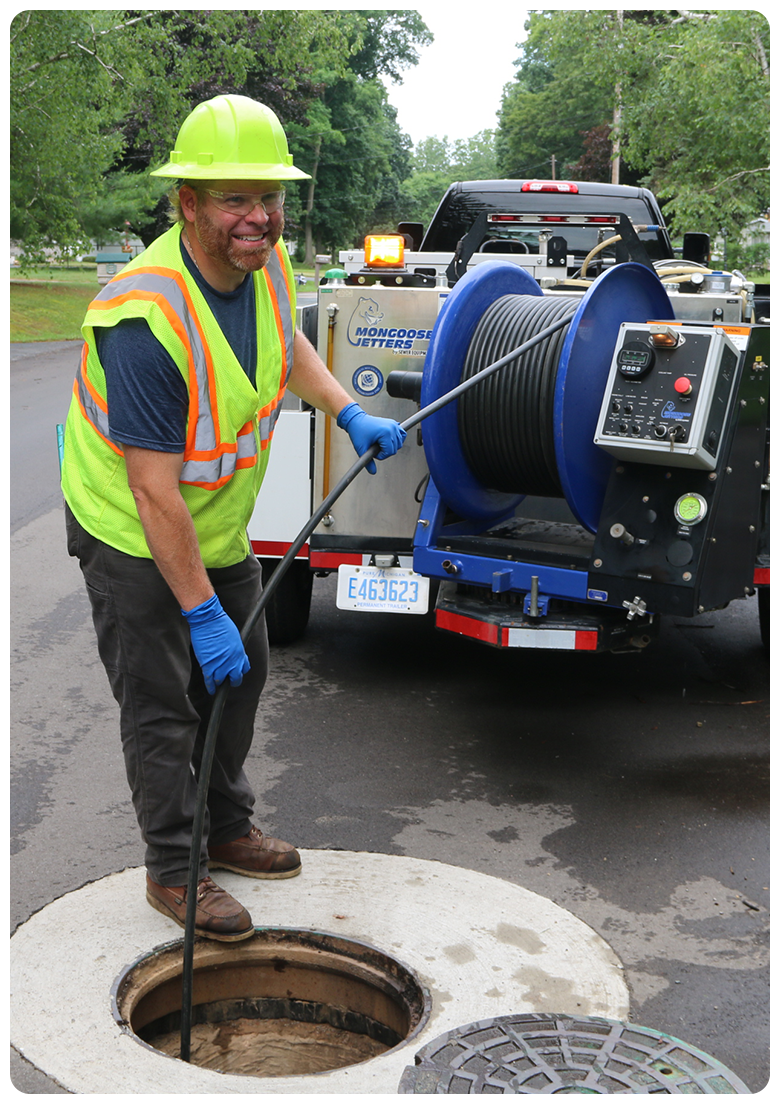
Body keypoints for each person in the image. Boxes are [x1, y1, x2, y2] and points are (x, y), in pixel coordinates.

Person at [60, 95, 406, 942]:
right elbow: (151, 491)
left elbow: (286, 345)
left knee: (241, 675)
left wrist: (344, 411)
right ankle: (176, 872)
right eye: (235, 199)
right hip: (131, 532)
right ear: (189, 204)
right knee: (163, 704)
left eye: (269, 197)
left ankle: (226, 827)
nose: (259, 217)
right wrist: (200, 609)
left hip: (212, 526)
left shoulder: (265, 266)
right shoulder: (145, 317)